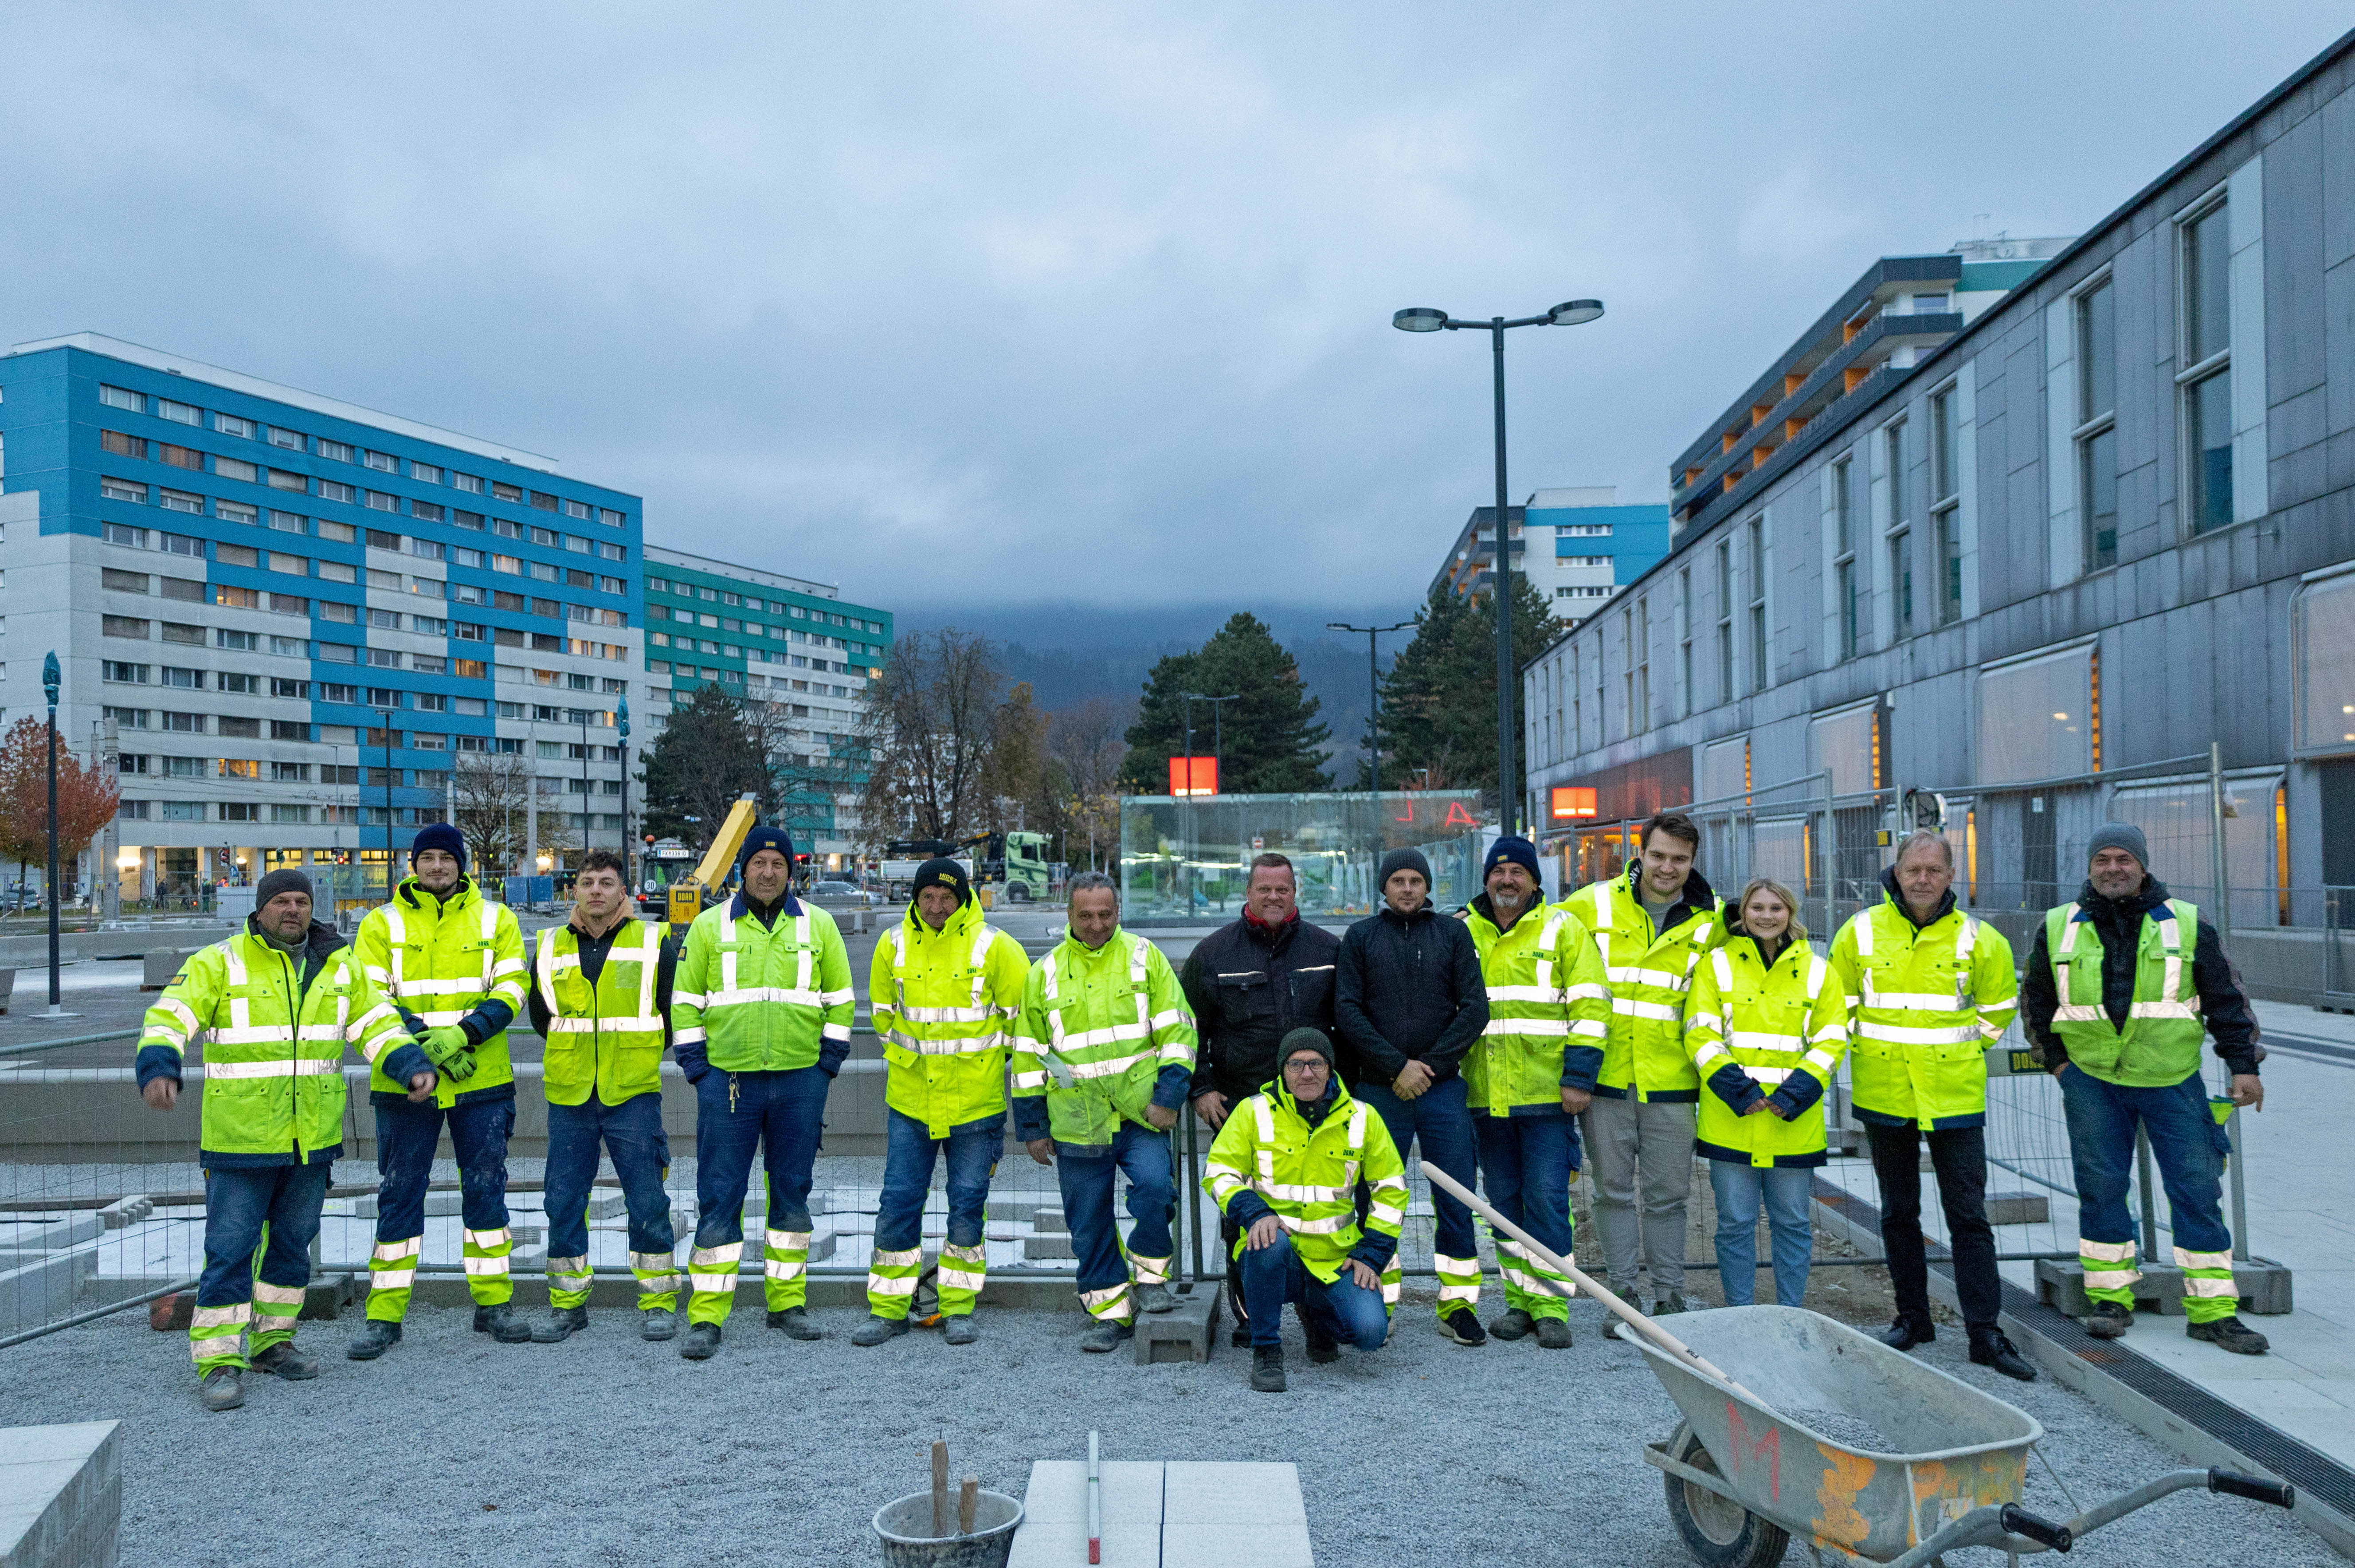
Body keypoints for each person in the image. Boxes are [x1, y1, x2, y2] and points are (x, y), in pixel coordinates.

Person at [135, 869, 416, 1410]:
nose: (294, 909)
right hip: (240, 1139)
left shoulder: (338, 964)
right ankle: (218, 1359)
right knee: (231, 1251)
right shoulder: (221, 961)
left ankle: (271, 1341)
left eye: (302, 901)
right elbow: (170, 1016)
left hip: (310, 1140)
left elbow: (378, 1024)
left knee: (290, 1250)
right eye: (282, 900)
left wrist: (410, 1065)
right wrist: (159, 1065)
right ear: (261, 908)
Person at [2021, 823, 2269, 1355]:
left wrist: (2243, 1065)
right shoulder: (2058, 925)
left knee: (2196, 1188)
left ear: (2142, 864)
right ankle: (2110, 1299)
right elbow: (2036, 1002)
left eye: (2124, 859)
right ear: (2089, 867)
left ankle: (2211, 1311)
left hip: (2171, 1078)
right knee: (2101, 1187)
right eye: (2103, 859)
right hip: (2091, 1078)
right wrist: (2059, 1064)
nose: (2113, 867)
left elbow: (2227, 997)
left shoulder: (2185, 922)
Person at [1827, 830, 2035, 1381]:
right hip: (1884, 1092)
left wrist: (1962, 1050)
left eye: (1933, 870)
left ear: (1950, 877)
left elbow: (1997, 1007)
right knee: (1898, 1213)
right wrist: (1870, 1048)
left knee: (1969, 1217)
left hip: (1954, 1095)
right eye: (1912, 869)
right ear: (1895, 872)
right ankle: (1913, 1318)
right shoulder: (1861, 931)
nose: (1922, 879)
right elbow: (1836, 1002)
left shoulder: (1979, 938)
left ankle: (1984, 1331)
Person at [347, 825, 532, 1359]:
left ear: (462, 865)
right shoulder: (381, 922)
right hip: (406, 1080)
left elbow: (513, 987)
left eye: (445, 858)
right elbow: (370, 995)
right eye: (426, 858)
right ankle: (385, 1315)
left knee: (486, 1189)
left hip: (482, 1081)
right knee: (400, 1193)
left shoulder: (498, 918)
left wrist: (463, 1033)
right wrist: (426, 1043)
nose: (435, 867)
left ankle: (493, 1304)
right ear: (413, 865)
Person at [672, 825, 855, 1360]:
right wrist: (698, 1069)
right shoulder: (709, 927)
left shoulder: (819, 926)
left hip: (801, 1081)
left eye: (778, 863)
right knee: (720, 1195)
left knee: (793, 1193)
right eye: (759, 863)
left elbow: (841, 1001)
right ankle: (707, 1314)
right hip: (727, 1082)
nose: (768, 871)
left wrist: (826, 1065)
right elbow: (684, 1002)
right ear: (742, 869)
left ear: (790, 872)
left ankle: (787, 1302)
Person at [1012, 872, 1197, 1352]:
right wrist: (1032, 1126)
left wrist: (1168, 1098)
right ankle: (1109, 1311)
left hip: (1141, 1115)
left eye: (1105, 914)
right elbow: (1028, 1055)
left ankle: (1151, 1279)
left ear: (1118, 912)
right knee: (1088, 1221)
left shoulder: (1144, 956)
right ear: (1069, 915)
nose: (1096, 925)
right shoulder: (1044, 972)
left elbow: (1178, 1032)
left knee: (1157, 1189)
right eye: (1085, 915)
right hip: (1077, 1120)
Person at [854, 856, 1030, 1348]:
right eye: (927, 896)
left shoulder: (996, 946)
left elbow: (1023, 1020)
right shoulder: (892, 943)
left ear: (963, 898)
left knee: (967, 1206)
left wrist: (985, 1065)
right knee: (898, 1203)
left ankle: (958, 1307)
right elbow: (883, 1014)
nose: (935, 906)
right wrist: (911, 1059)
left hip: (975, 1104)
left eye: (946, 897)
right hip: (911, 1101)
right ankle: (888, 1308)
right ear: (914, 897)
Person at [1560, 811, 1720, 1333]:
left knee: (1670, 1196)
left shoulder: (1711, 920)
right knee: (1611, 1191)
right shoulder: (1593, 903)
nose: (1667, 867)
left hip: (1673, 1083)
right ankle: (1622, 1296)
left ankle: (1670, 1298)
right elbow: (1536, 939)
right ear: (1640, 852)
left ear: (1692, 861)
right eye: (1658, 855)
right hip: (1604, 1079)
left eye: (1679, 858)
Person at [1180, 852, 1339, 1346]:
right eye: (1264, 888)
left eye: (1283, 889)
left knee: (1323, 1210)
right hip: (1239, 1107)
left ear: (1296, 892)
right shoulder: (1212, 954)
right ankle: (1252, 1312)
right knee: (1242, 1215)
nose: (1274, 896)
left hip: (1317, 1110)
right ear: (1247, 892)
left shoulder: (1328, 949)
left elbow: (1348, 1027)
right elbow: (1188, 1032)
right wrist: (1201, 1088)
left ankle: (1318, 1313)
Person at [523, 847, 681, 1344]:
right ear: (574, 889)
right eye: (588, 882)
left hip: (632, 1091)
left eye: (606, 882)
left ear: (623, 891)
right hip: (571, 1092)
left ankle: (657, 1301)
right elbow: (541, 1016)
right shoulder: (548, 945)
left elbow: (670, 1013)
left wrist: (635, 1053)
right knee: (563, 1199)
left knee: (647, 1197)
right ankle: (568, 1305)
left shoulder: (656, 940)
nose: (596, 890)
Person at [1335, 847, 1489, 1342]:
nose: (1406, 888)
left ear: (1427, 887)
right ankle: (1378, 1295)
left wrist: (1429, 1067)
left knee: (1456, 1193)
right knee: (1376, 1197)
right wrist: (1396, 1065)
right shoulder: (1361, 937)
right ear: (1383, 887)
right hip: (1379, 1090)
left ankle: (1458, 1303)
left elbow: (1475, 1010)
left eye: (1415, 880)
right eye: (1397, 880)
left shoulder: (1452, 933)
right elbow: (1348, 1011)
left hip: (1441, 1089)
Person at [1462, 836, 1609, 1348]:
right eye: (1499, 873)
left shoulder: (1564, 928)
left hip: (1547, 1094)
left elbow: (1591, 1008)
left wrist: (1578, 1078)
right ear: (1486, 879)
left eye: (1517, 873)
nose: (1507, 881)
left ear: (1534, 881)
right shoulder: (1464, 931)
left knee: (1546, 1199)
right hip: (1483, 1093)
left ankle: (1549, 1305)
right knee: (1503, 1202)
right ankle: (1518, 1301)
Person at [1203, 1028, 1406, 1393]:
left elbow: (1391, 1189)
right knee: (1268, 1242)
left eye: (1316, 1063)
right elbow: (1218, 1172)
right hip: (1275, 1253)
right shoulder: (1252, 1111)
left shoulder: (1363, 1117)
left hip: (1336, 1259)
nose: (1306, 1073)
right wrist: (1255, 1213)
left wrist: (1371, 1255)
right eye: (1296, 1064)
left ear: (1330, 1069)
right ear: (1282, 1071)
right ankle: (1266, 1349)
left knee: (1369, 1335)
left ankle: (1316, 1316)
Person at [1683, 878, 1847, 1309]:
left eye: (1776, 907)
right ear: (1744, 914)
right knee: (1735, 1222)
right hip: (1732, 1120)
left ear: (1790, 913)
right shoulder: (1715, 964)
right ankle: (1741, 1312)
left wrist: (1792, 1094)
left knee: (1792, 1222)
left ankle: (1789, 1314)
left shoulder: (1818, 970)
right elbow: (1700, 1032)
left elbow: (1831, 1039)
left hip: (1790, 1121)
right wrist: (1740, 1090)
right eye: (1757, 907)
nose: (1767, 915)